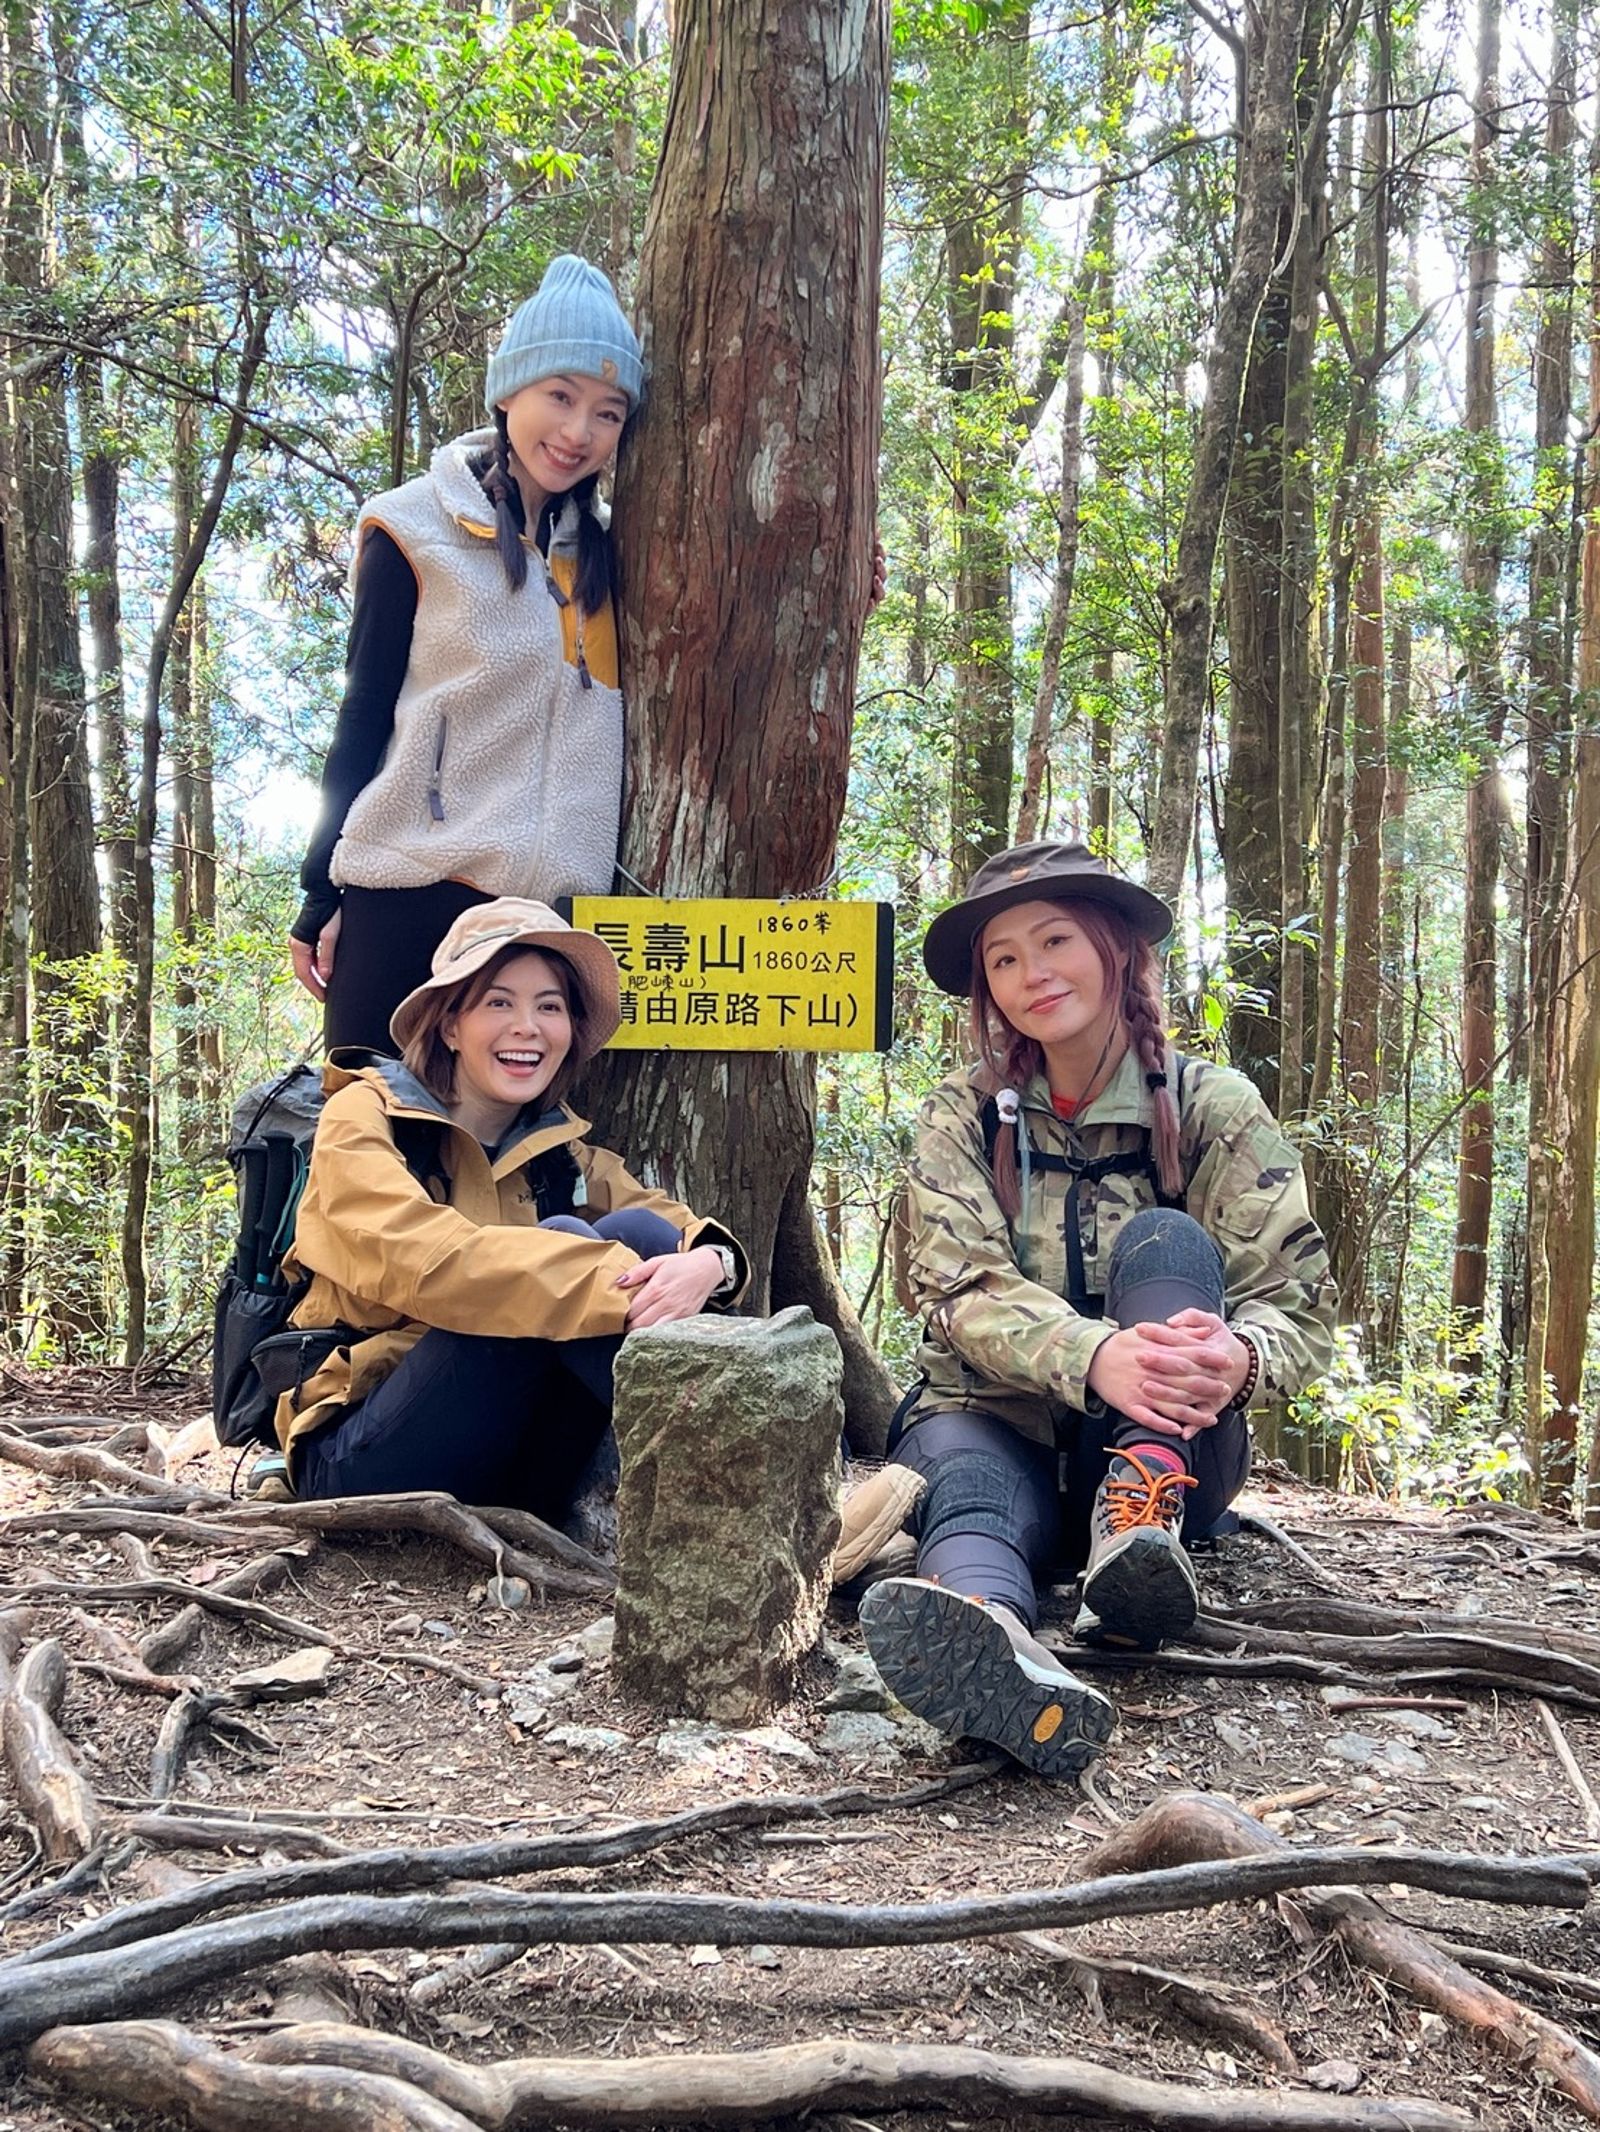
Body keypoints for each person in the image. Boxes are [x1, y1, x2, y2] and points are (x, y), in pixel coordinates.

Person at [857, 840, 1335, 1779]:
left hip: (1174, 1447)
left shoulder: (1212, 1107)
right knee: (963, 1481)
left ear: (1115, 948)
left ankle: (1137, 1533)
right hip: (1001, 1421)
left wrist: (1239, 1356)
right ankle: (999, 1651)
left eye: (1055, 940)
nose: (1031, 974)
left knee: (1165, 1240)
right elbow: (957, 1289)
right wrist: (1091, 1355)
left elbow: (1300, 1310)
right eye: (1003, 959)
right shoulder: (963, 1114)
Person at [272, 898, 746, 1509]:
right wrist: (602, 1281)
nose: (527, 1026)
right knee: (564, 1246)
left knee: (635, 1229)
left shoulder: (557, 1152)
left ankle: (758, 1474)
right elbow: (426, 1262)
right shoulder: (363, 1117)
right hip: (366, 1446)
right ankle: (740, 1489)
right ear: (449, 1025)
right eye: (499, 1002)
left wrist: (710, 1265)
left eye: (549, 1006)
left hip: (514, 1453)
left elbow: (666, 1223)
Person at [289, 256, 643, 1054]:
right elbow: (364, 711)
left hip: (542, 930)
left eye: (608, 413)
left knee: (500, 1174)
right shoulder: (411, 528)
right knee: (373, 1156)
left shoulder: (622, 556)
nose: (578, 432)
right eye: (560, 396)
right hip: (409, 896)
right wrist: (320, 894)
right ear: (509, 392)